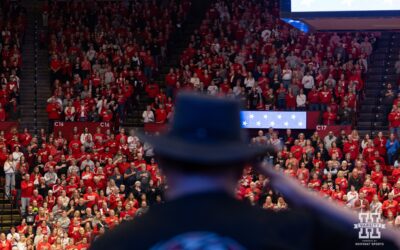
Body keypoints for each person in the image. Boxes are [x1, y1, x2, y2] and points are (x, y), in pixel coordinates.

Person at [90, 92, 400, 250]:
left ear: (161, 161)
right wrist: (308, 199)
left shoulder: (117, 243)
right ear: (243, 166)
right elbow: (389, 240)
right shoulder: (286, 231)